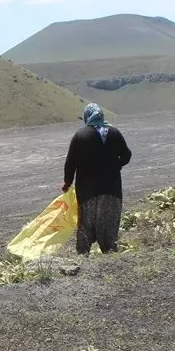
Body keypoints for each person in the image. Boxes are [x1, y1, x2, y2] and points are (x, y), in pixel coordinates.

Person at [63, 103, 132, 255]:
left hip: (87, 192)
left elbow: (70, 163)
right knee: (108, 226)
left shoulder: (80, 136)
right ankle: (110, 255)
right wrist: (116, 165)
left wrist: (67, 182)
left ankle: (83, 255)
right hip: (111, 190)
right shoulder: (115, 133)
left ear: (87, 116)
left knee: (86, 226)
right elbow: (127, 155)